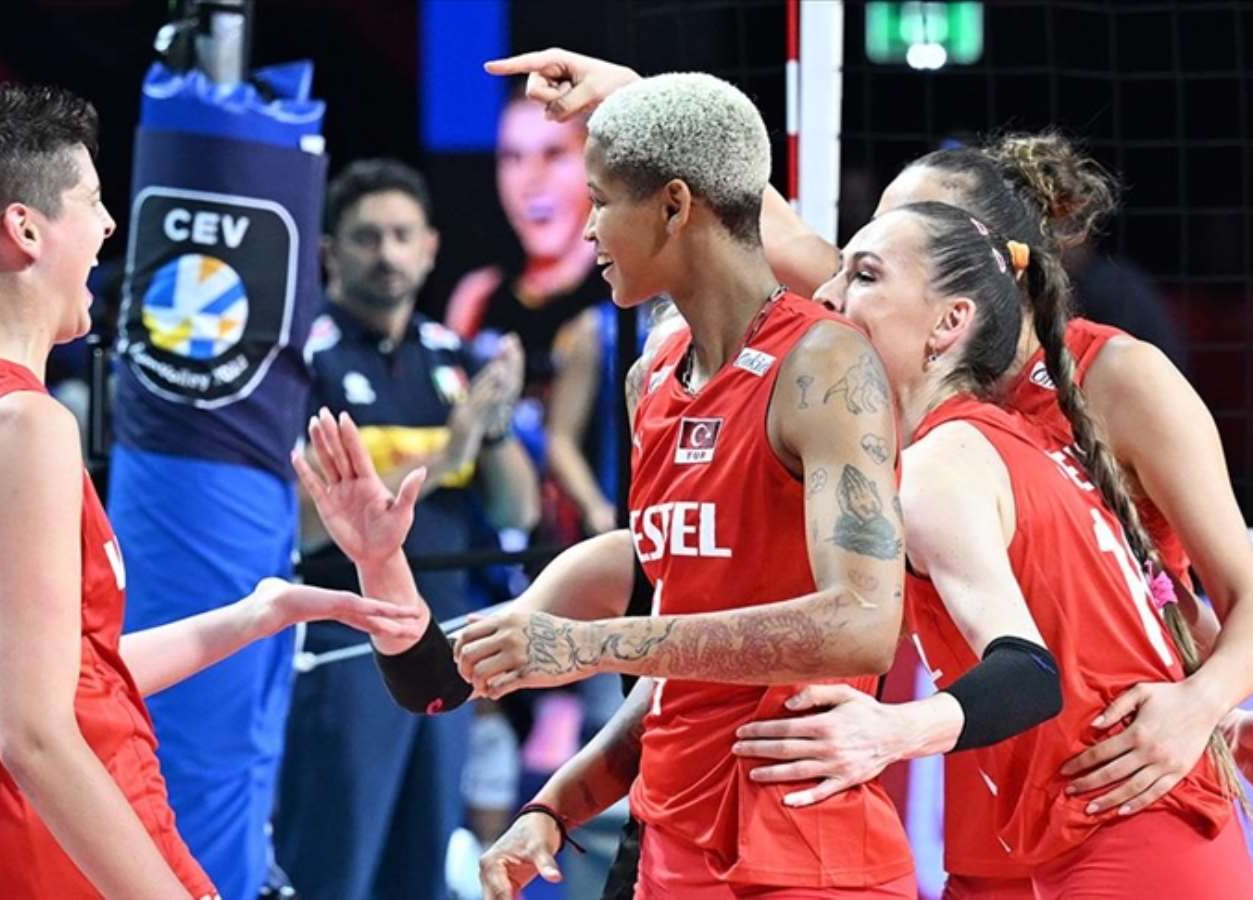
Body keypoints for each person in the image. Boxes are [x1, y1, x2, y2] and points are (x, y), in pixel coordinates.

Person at [484, 48, 1253, 897]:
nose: (834, 282)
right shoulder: (893, 371)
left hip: (1117, 800)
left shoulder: (1092, 385)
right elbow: (747, 216)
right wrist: (638, 100)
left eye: (879, 256)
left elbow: (1191, 608)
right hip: (998, 819)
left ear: (967, 282)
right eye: (859, 251)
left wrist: (1202, 706)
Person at [298, 73, 913, 898]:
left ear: (673, 206)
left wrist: (592, 645)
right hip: (670, 848)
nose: (586, 227)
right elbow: (655, 677)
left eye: (599, 201)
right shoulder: (652, 376)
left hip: (806, 853)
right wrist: (557, 805)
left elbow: (864, 626)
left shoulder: (825, 363)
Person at [0, 83, 422, 899]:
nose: (111, 226)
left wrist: (252, 616)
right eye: (92, 201)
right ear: (26, 229)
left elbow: (59, 680)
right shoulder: (22, 428)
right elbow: (36, 738)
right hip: (59, 868)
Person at [780, 199, 1253, 897]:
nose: (826, 295)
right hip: (1129, 827)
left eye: (864, 275)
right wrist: (1229, 716)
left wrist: (888, 731)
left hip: (1125, 836)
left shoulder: (943, 465)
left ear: (949, 322)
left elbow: (1030, 674)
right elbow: (1107, 631)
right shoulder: (1010, 441)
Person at [275, 158, 540, 900]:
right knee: (334, 873)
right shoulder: (302, 361)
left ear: (429, 248)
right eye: (367, 237)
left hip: (445, 647)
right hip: (344, 653)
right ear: (331, 252)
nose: (387, 254)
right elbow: (298, 526)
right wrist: (447, 452)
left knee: (422, 874)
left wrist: (490, 429)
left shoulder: (453, 360)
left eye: (402, 236)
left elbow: (516, 513)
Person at [446, 81, 615, 541]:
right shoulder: (477, 298)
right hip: (499, 541)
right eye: (513, 158)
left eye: (554, 154)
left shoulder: (623, 296)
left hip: (605, 537)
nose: (530, 180)